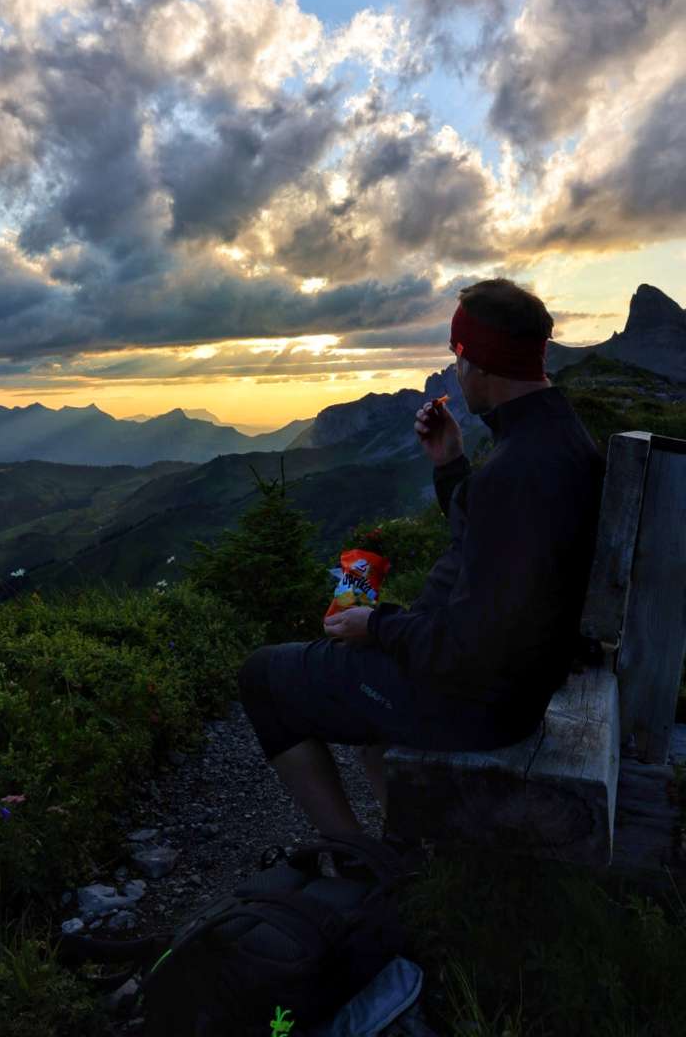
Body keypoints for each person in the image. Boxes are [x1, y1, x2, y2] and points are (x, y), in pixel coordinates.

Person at [236, 278, 606, 846]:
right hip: (509, 682)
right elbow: (495, 551)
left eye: (456, 356)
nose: (454, 372)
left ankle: (359, 857)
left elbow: (470, 648)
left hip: (474, 702)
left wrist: (376, 626)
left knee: (263, 678)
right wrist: (451, 465)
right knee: (364, 697)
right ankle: (414, 850)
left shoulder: (519, 470)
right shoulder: (555, 438)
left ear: (475, 361)